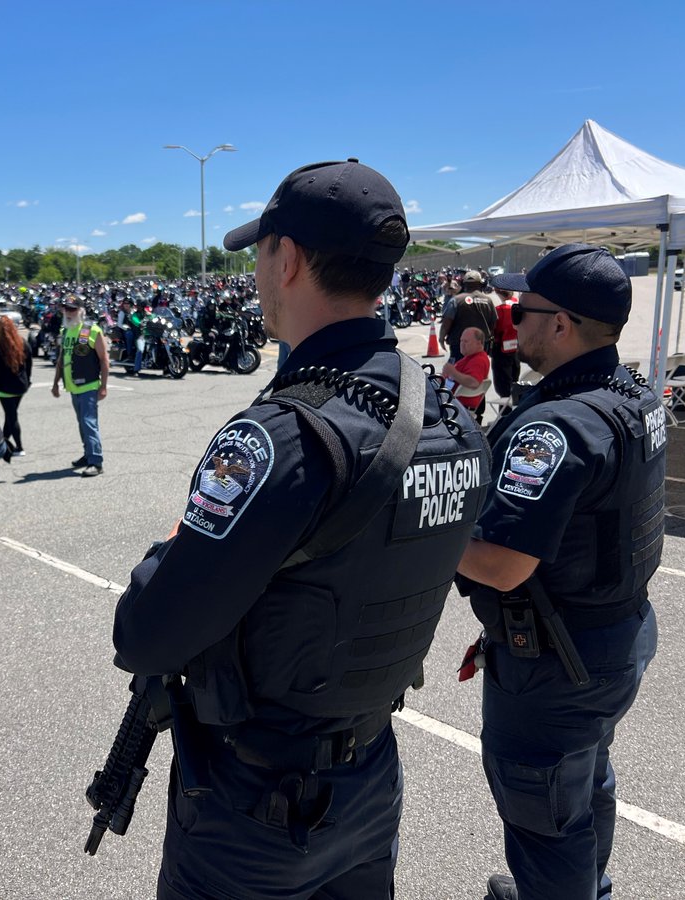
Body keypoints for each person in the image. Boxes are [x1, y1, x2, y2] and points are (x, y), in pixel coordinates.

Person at [112, 160, 489, 899]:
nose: (256, 274)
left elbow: (145, 635)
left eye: (260, 254)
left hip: (254, 802)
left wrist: (178, 537)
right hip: (370, 775)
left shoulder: (284, 437)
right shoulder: (453, 419)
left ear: (286, 259)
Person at [455, 244, 663, 900]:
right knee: (583, 780)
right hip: (614, 635)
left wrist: (430, 532)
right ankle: (585, 889)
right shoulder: (634, 398)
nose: (510, 322)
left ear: (563, 325)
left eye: (523, 311)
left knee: (543, 813)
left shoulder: (557, 428)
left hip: (556, 660)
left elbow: (502, 563)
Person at [51, 296, 109, 477]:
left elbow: (104, 359)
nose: (68, 312)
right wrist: (55, 383)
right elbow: (62, 359)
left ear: (81, 311)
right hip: (73, 387)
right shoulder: (66, 331)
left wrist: (104, 386)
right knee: (82, 423)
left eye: (72, 309)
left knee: (88, 423)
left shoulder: (91, 330)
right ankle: (88, 454)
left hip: (89, 386)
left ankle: (96, 461)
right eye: (66, 309)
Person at [0, 315, 32, 462]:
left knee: (11, 416)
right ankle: (3, 443)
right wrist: (27, 380)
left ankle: (19, 447)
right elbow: (29, 364)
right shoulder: (22, 342)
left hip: (5, 387)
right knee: (11, 415)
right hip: (20, 385)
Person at [441, 270, 497, 361]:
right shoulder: (488, 300)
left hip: (459, 344)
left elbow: (447, 321)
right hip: (481, 344)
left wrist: (441, 338)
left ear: (464, 284)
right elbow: (493, 323)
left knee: (459, 370)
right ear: (480, 284)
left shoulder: (456, 300)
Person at [442, 326, 492, 422]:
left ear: (479, 343)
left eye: (466, 342)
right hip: (454, 402)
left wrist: (452, 372)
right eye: (461, 341)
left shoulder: (478, 360)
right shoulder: (471, 357)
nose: (462, 344)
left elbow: (473, 383)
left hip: (457, 406)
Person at [490, 287, 521, 400]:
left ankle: (505, 412)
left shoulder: (500, 309)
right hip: (515, 346)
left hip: (501, 348)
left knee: (503, 386)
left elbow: (495, 328)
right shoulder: (517, 305)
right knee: (514, 378)